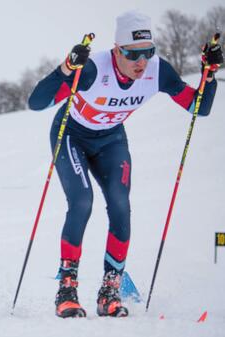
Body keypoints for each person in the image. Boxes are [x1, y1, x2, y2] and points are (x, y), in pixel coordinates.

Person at [28, 11, 222, 318]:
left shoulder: (157, 72)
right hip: (72, 135)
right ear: (117, 51)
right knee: (82, 202)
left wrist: (208, 74)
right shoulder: (93, 70)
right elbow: (36, 103)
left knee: (120, 205)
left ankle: (110, 291)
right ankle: (67, 289)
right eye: (133, 54)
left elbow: (199, 107)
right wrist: (66, 68)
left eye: (148, 53)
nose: (141, 63)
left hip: (110, 140)